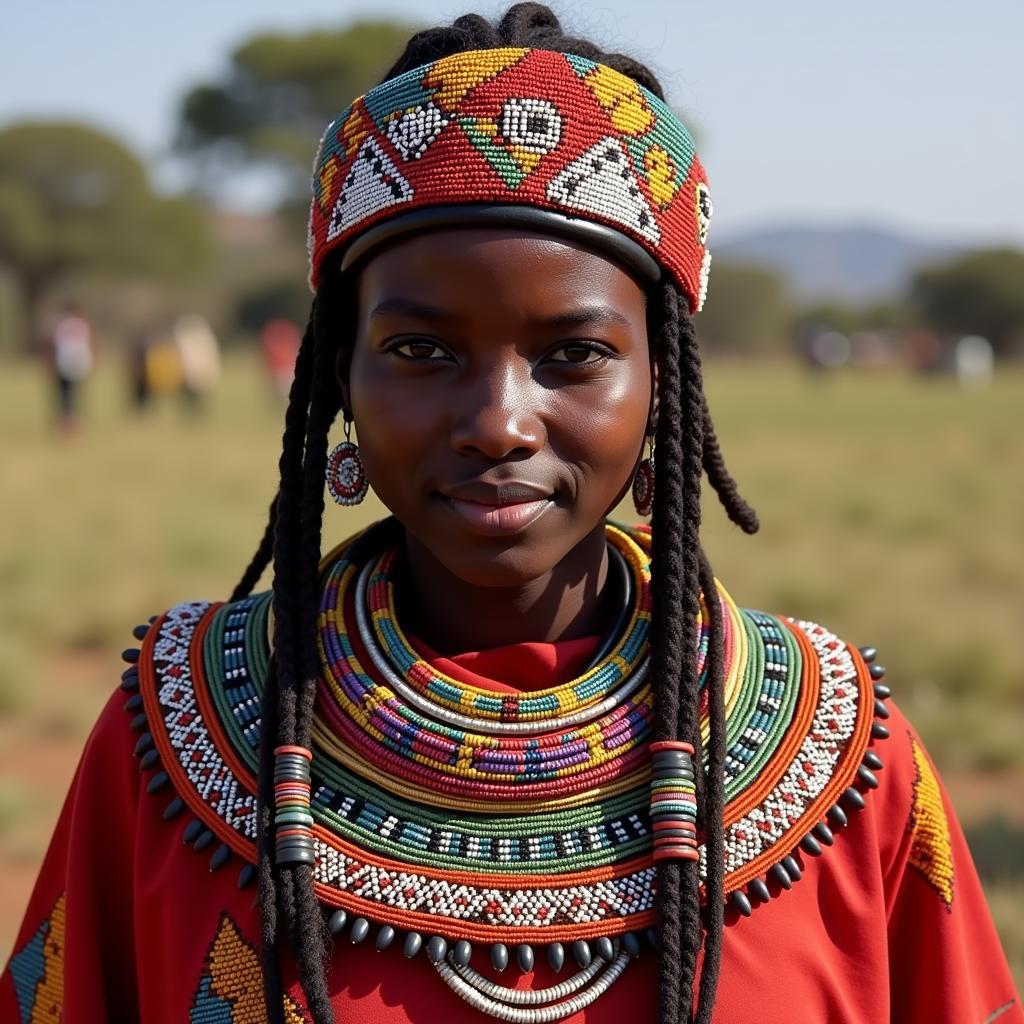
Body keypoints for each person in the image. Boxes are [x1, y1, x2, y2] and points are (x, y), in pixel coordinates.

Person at [2, 7, 1019, 1023]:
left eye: (573, 355)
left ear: (663, 385)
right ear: (339, 381)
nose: (498, 422)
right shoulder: (179, 730)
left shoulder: (849, 755)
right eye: (419, 351)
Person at [43, 302, 94, 433]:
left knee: (65, 395)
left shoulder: (62, 325)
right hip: (80, 364)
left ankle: (67, 424)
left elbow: (53, 344)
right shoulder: (83, 325)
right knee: (75, 394)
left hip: (64, 363)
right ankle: (74, 423)